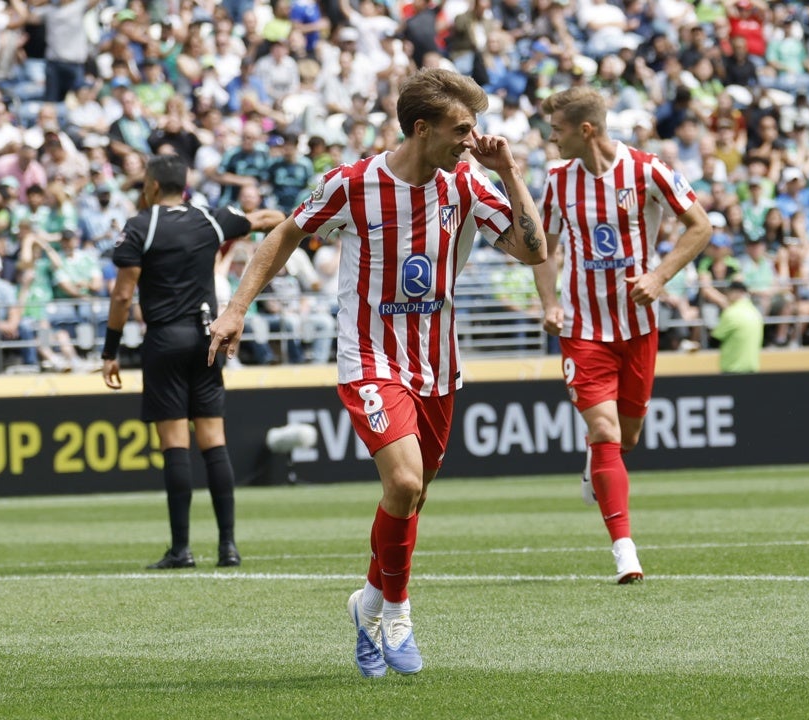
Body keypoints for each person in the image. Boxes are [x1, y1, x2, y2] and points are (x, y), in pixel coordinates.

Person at [206, 69, 547, 677]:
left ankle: (365, 603)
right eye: (461, 129)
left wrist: (511, 174)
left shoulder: (467, 181)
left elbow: (534, 250)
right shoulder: (355, 182)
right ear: (423, 128)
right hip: (369, 357)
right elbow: (285, 234)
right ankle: (396, 611)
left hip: (437, 365)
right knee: (407, 482)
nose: (472, 140)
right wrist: (235, 308)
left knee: (409, 497)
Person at [531, 85, 711, 584]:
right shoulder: (557, 180)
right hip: (583, 328)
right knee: (606, 431)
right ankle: (625, 550)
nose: (551, 138)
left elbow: (700, 226)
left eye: (558, 129)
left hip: (637, 328)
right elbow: (543, 247)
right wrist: (550, 303)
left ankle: (597, 460)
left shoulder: (648, 169)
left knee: (625, 435)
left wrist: (659, 276)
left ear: (585, 130)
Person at [101, 155, 284, 571]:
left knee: (175, 446)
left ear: (149, 186)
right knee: (214, 442)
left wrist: (110, 351)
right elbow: (270, 219)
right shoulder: (211, 218)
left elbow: (122, 296)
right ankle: (228, 547)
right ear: (184, 186)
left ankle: (181, 549)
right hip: (207, 337)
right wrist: (268, 219)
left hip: (164, 339)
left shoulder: (139, 225)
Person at [711, 279, 763, 373]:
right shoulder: (756, 313)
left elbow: (714, 341)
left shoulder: (731, 313)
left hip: (732, 370)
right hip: (753, 369)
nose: (726, 296)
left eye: (728, 293)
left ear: (736, 293)